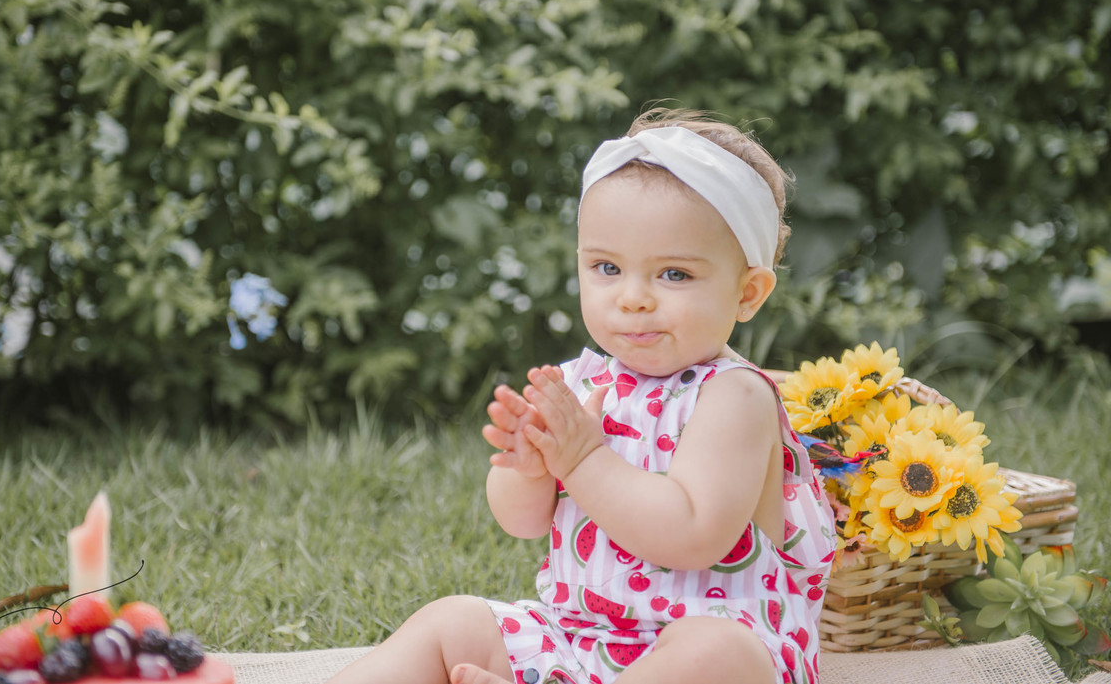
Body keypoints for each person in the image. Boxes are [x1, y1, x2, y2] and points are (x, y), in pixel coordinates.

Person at [327, 108, 836, 684]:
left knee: (714, 654)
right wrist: (530, 470)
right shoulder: (580, 383)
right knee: (452, 622)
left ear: (747, 293)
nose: (633, 297)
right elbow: (522, 522)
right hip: (578, 637)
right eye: (607, 267)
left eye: (674, 274)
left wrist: (582, 460)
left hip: (711, 641)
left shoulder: (735, 396)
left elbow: (692, 534)